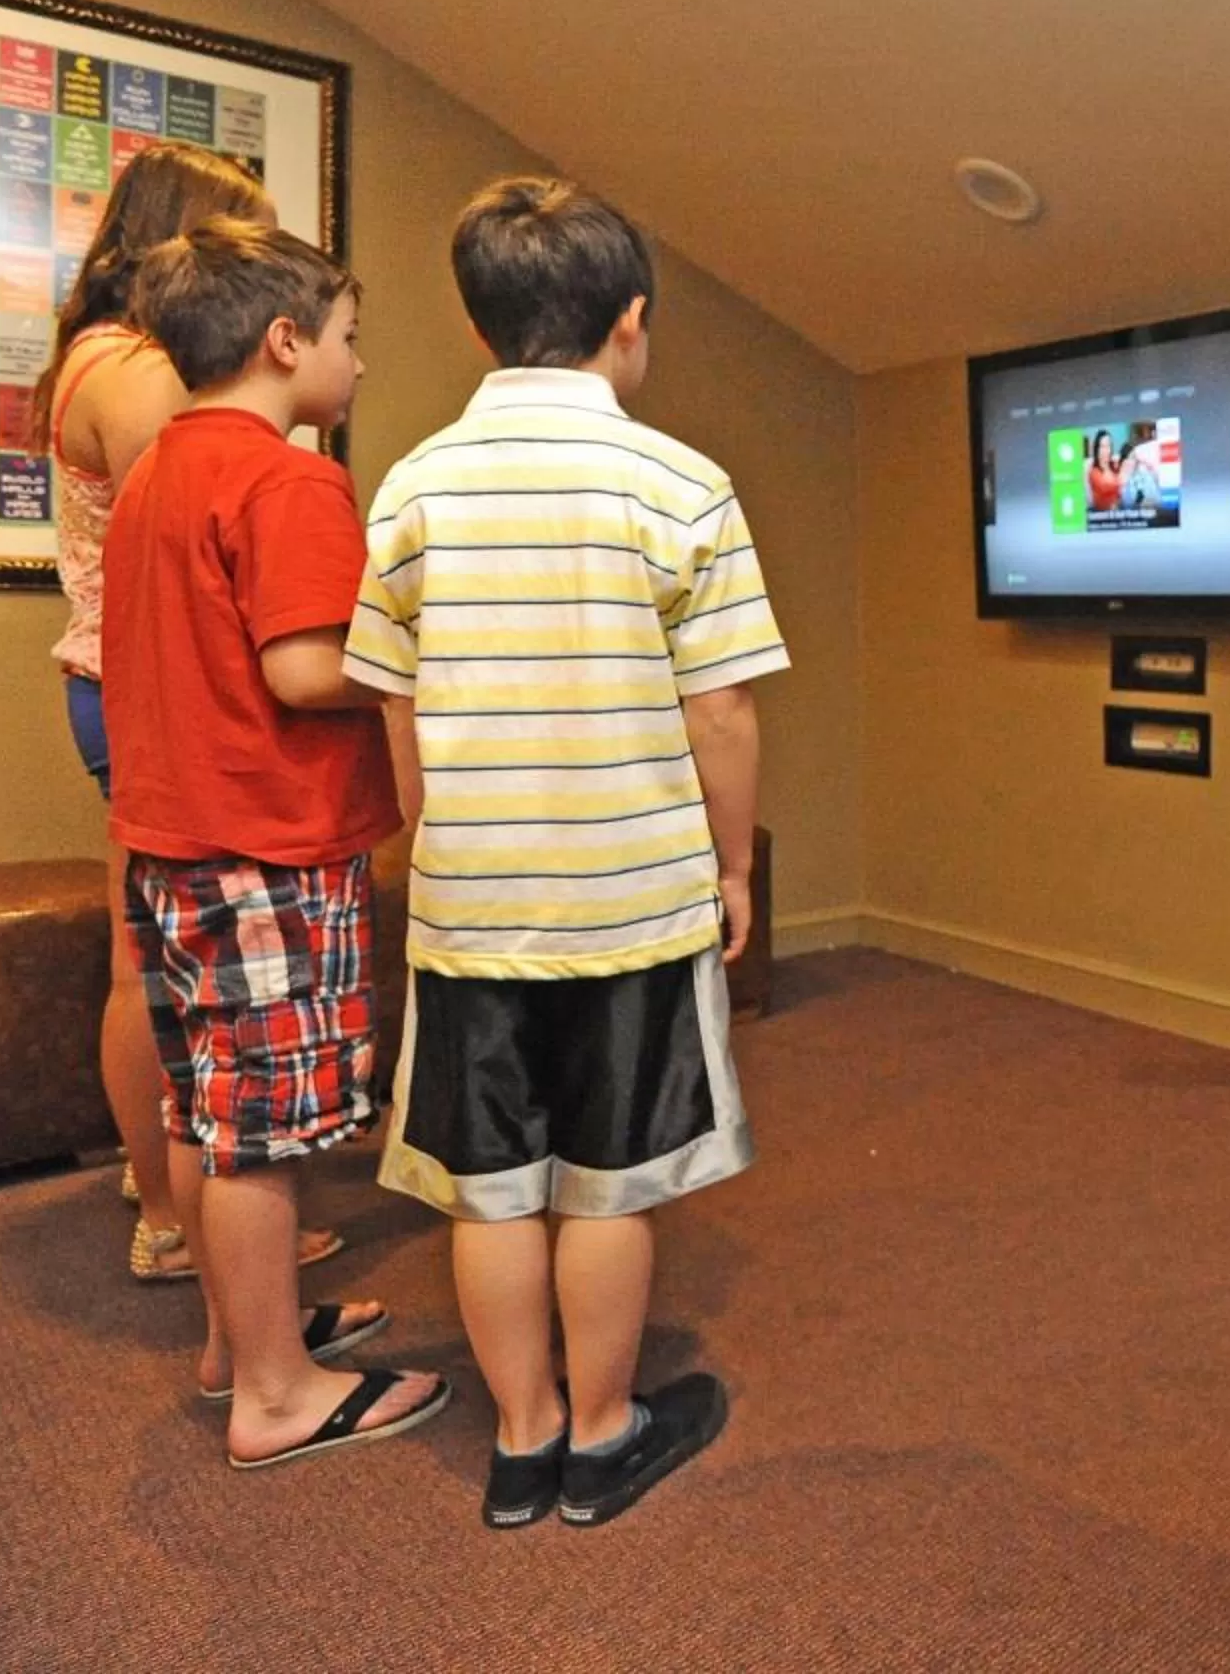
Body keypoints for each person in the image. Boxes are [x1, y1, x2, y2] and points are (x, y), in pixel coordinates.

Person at [350, 176, 786, 1530]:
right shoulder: (681, 484)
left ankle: (524, 1438)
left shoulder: (414, 483)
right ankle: (604, 1436)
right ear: (631, 323)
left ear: (484, 330)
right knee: (608, 1187)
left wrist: (431, 839)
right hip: (632, 905)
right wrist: (736, 873)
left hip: (474, 903)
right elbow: (720, 708)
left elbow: (393, 695)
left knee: (490, 1198)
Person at [102, 218, 449, 1467]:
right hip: (269, 848)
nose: (358, 366)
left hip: (174, 840)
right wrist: (420, 650)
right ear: (285, 340)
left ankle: (232, 1340)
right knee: (264, 1130)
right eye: (351, 340)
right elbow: (306, 667)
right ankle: (277, 1392)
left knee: (206, 1111)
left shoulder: (154, 469)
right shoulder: (290, 476)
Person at [30, 143, 346, 1287]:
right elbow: (216, 537)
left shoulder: (90, 358)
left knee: (157, 956)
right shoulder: (141, 377)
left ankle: (173, 1194)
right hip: (153, 689)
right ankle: (181, 1214)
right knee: (164, 970)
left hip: (109, 683)